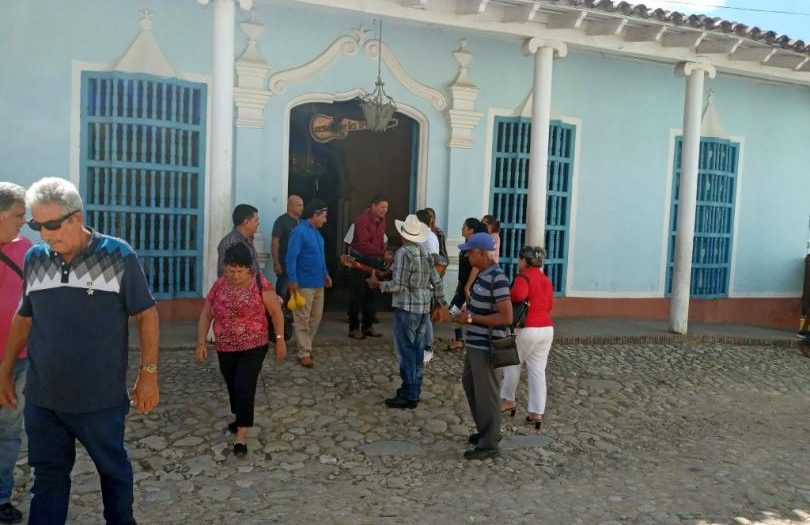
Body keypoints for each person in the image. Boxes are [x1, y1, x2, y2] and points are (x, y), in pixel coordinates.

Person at [0, 177, 159, 525]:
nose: (44, 234)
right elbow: (24, 318)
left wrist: (148, 374)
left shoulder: (118, 256)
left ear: (77, 217)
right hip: (43, 400)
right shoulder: (35, 259)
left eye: (52, 225)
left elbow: (146, 314)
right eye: (36, 225)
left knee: (113, 473)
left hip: (99, 401)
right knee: (48, 479)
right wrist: (5, 370)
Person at [195, 243, 286, 457]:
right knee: (232, 384)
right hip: (225, 345)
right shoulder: (219, 285)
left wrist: (280, 340)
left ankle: (241, 438)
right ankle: (240, 417)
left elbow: (275, 312)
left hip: (254, 345)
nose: (234, 275)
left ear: (248, 269)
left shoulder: (260, 284)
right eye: (230, 271)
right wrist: (201, 342)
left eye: (238, 271)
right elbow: (206, 314)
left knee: (245, 384)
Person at [368, 214, 448, 409]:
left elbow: (398, 285)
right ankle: (414, 389)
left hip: (406, 308)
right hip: (422, 308)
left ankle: (409, 393)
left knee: (406, 352)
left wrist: (378, 285)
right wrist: (440, 303)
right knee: (418, 350)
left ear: (403, 235)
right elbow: (436, 281)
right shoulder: (423, 253)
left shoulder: (403, 253)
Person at [456, 232, 512, 460]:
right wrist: (467, 315)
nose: (468, 256)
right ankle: (486, 431)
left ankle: (490, 442)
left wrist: (471, 319)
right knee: (470, 384)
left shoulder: (497, 277)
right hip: (475, 341)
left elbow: (506, 316)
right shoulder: (482, 274)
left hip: (486, 344)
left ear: (481, 252)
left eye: (470, 252)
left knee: (486, 391)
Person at [0, 183, 31, 524]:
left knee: (9, 429)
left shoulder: (27, 250)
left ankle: (1, 497)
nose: (24, 221)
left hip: (18, 359)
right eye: (19, 214)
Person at [499, 246, 554, 429]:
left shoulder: (523, 277)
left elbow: (518, 295)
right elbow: (550, 304)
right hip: (546, 328)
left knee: (512, 363)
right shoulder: (545, 279)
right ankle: (536, 413)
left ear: (524, 259)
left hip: (528, 328)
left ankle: (508, 400)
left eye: (519, 258)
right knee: (538, 370)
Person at [285, 199, 332, 368]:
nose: (325, 220)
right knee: (301, 318)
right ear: (315, 215)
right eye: (324, 216)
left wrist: (326, 274)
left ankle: (304, 345)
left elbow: (320, 257)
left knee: (315, 318)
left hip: (318, 283)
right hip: (303, 284)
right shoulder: (299, 232)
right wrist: (292, 280)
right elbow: (291, 258)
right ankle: (304, 351)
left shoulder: (317, 234)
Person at [347, 195, 389, 340]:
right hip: (359, 260)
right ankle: (353, 328)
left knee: (372, 294)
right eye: (382, 207)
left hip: (374, 260)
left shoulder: (382, 221)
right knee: (357, 294)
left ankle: (368, 326)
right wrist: (383, 253)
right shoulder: (361, 220)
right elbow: (364, 245)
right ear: (373, 206)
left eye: (386, 208)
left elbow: (380, 239)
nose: (385, 210)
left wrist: (383, 253)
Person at [448, 218, 487, 352]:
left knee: (473, 314)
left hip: (472, 287)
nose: (461, 229)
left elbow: (475, 268)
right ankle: (459, 339)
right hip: (463, 285)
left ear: (471, 230)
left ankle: (477, 339)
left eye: (464, 227)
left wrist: (467, 286)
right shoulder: (467, 243)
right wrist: (461, 285)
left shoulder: (475, 245)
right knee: (453, 310)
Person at [271, 194, 304, 299]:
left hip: (299, 265)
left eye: (302, 205)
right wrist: (276, 263)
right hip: (284, 264)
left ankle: (293, 315)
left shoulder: (302, 222)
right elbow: (275, 242)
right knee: (282, 293)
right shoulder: (281, 221)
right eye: (299, 205)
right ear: (290, 206)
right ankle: (279, 314)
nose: (302, 208)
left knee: (297, 295)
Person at [217, 204, 261, 277]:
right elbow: (226, 275)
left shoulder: (247, 240)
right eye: (256, 220)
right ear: (246, 223)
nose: (258, 223)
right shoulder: (232, 242)